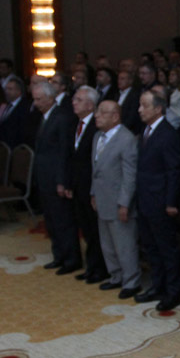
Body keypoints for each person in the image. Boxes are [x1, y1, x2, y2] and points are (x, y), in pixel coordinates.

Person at [136, 90, 180, 311]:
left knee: (167, 249)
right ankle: (157, 286)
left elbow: (174, 171)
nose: (139, 110)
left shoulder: (168, 133)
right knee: (151, 247)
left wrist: (171, 202)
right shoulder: (145, 130)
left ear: (157, 109)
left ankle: (173, 292)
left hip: (161, 201)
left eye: (144, 106)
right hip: (145, 198)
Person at [90, 100, 142, 296]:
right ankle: (116, 276)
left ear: (115, 116)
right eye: (97, 112)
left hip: (119, 201)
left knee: (124, 244)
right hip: (102, 197)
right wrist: (93, 192)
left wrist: (124, 203)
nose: (97, 116)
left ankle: (131, 281)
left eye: (102, 112)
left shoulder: (126, 139)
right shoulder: (97, 136)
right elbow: (95, 170)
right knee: (107, 243)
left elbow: (130, 175)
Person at [32, 80, 81, 274]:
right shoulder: (45, 117)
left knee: (63, 221)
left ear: (50, 98)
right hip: (44, 178)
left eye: (39, 99)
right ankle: (59, 255)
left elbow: (64, 152)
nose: (36, 103)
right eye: (35, 99)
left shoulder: (61, 117)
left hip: (56, 179)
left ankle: (71, 259)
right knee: (51, 221)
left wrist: (62, 181)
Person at [68, 86, 107, 285]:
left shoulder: (96, 127)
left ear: (91, 105)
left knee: (95, 230)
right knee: (86, 229)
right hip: (78, 185)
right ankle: (91, 267)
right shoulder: (76, 124)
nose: (74, 103)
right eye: (74, 99)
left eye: (79, 100)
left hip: (92, 186)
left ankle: (100, 269)